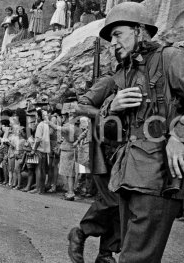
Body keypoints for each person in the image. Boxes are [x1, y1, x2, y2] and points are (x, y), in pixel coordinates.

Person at [98, 2, 184, 262]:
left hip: (159, 179)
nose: (112, 43)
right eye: (110, 38)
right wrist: (112, 107)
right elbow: (106, 129)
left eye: (117, 34)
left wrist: (181, 135)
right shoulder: (123, 74)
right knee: (131, 253)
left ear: (139, 30)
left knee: (136, 259)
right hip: (128, 175)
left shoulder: (171, 58)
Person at [67, 74, 119, 263]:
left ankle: (106, 253)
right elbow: (81, 105)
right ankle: (80, 233)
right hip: (104, 151)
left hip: (127, 152)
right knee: (113, 200)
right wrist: (107, 112)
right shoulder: (110, 81)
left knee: (122, 204)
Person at [32, 108, 50, 194]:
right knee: (43, 169)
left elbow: (38, 139)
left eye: (36, 116)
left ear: (39, 117)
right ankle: (41, 189)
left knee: (38, 169)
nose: (36, 118)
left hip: (39, 149)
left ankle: (38, 188)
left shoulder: (40, 125)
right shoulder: (46, 125)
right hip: (45, 150)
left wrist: (34, 149)